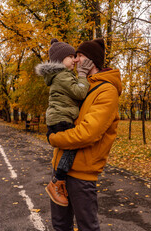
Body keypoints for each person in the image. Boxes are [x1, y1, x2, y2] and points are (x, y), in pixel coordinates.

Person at [48, 38, 122, 231]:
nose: (76, 60)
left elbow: (89, 133)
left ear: (91, 61)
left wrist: (55, 138)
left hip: (81, 174)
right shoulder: (82, 86)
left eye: (79, 56)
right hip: (61, 170)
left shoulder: (107, 91)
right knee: (61, 227)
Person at [35, 38, 95, 207]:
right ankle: (57, 181)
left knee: (69, 149)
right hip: (61, 118)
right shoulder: (62, 76)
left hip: (59, 117)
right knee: (73, 146)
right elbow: (80, 93)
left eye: (76, 56)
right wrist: (83, 75)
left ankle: (59, 181)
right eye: (71, 57)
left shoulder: (62, 75)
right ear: (60, 60)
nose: (75, 60)